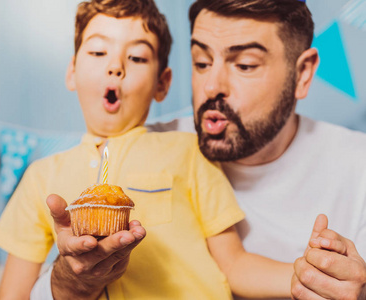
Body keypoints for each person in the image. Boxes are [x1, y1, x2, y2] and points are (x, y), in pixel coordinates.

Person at [35, 0, 366, 299]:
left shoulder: (357, 165)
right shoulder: (147, 147)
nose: (211, 87)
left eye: (245, 65)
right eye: (201, 61)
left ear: (302, 73)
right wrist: (69, 284)